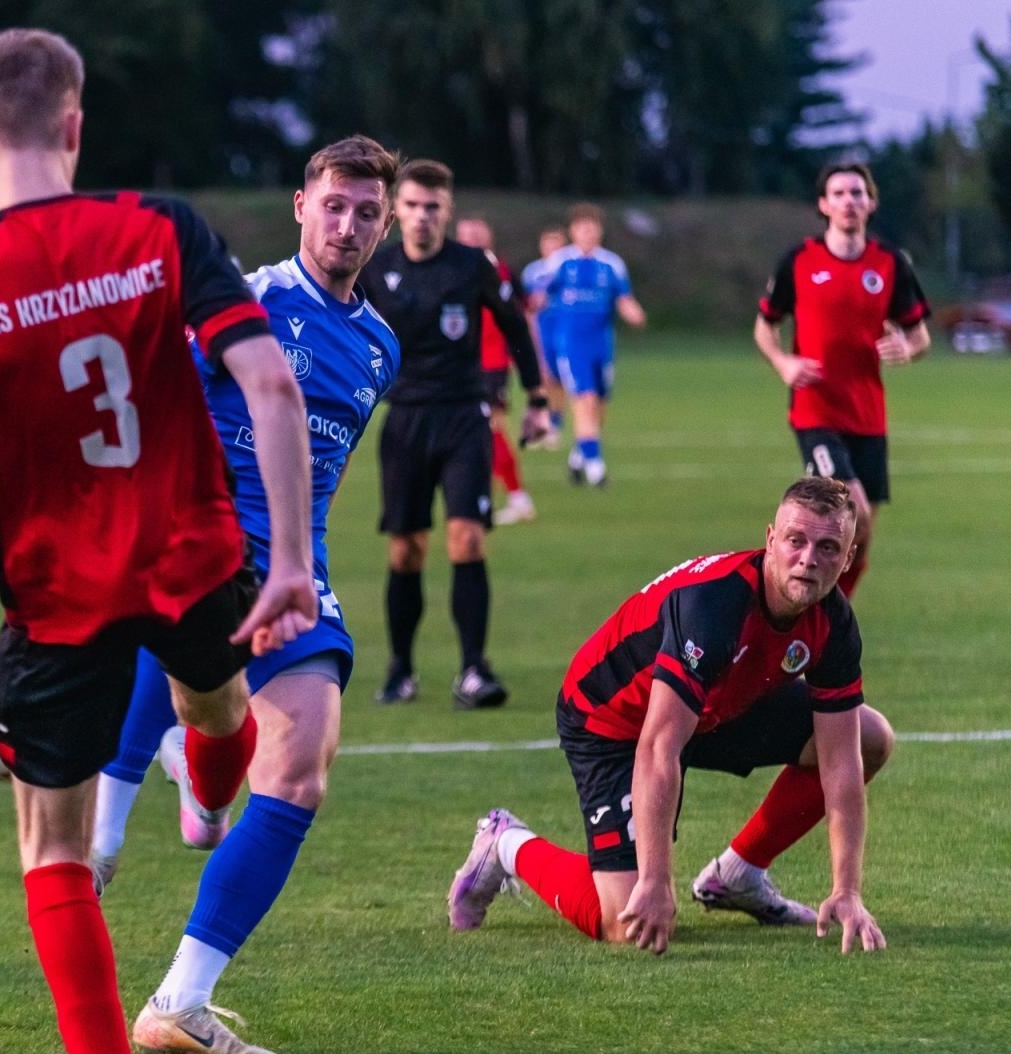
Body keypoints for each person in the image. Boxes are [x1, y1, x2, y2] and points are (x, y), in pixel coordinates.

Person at [0, 29, 314, 1054]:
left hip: (57, 600)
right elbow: (272, 385)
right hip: (196, 556)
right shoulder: (158, 226)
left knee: (53, 851)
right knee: (220, 711)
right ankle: (211, 788)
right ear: (75, 124)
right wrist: (290, 565)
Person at [89, 134, 401, 1054]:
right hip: (205, 557)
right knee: (195, 682)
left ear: (384, 224)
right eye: (333, 205)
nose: (348, 225)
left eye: (366, 211)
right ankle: (111, 824)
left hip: (299, 574)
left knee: (302, 764)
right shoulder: (247, 303)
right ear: (301, 206)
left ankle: (180, 999)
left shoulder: (379, 343)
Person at [446, 477, 893, 956]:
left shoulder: (834, 622)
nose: (808, 559)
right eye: (796, 541)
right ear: (770, 540)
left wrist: (847, 890)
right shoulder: (714, 605)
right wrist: (656, 880)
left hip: (713, 705)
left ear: (847, 559)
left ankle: (737, 875)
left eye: (828, 548)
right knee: (624, 920)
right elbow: (659, 748)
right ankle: (505, 844)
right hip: (612, 720)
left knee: (869, 736)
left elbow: (842, 762)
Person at [359, 160, 548, 709]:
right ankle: (400, 670)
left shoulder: (473, 266)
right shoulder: (376, 268)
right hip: (405, 423)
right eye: (413, 206)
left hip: (465, 418)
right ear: (397, 212)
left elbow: (514, 328)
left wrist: (536, 400)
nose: (422, 217)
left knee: (467, 538)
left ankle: (473, 670)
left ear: (448, 210)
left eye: (433, 206)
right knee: (406, 551)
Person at [754, 161, 931, 597]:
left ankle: (829, 613)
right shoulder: (799, 260)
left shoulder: (890, 264)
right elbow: (764, 325)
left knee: (864, 530)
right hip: (815, 411)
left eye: (856, 193)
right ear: (823, 204)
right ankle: (818, 612)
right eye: (838, 194)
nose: (848, 201)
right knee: (855, 510)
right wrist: (783, 363)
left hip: (867, 413)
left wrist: (907, 349)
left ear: (870, 202)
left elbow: (920, 335)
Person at [537, 203, 646, 488]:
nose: (587, 233)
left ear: (600, 231)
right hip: (571, 345)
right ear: (573, 231)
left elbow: (623, 298)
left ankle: (578, 458)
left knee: (599, 407)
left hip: (602, 343)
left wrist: (633, 312)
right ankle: (597, 470)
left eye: (592, 228)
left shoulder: (611, 264)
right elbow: (539, 296)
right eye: (582, 228)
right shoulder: (560, 262)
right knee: (583, 401)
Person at [454, 215, 536, 526]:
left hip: (491, 365)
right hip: (463, 364)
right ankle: (482, 500)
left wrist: (523, 356)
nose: (471, 238)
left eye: (477, 232)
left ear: (488, 235)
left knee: (490, 431)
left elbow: (521, 318)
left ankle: (517, 498)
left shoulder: (501, 271)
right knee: (476, 435)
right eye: (465, 233)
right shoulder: (451, 270)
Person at [519, 226, 569, 445]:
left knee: (561, 380)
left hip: (565, 330)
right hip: (542, 330)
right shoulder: (533, 271)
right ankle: (542, 420)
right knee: (544, 377)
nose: (552, 248)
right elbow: (526, 304)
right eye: (549, 243)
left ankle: (555, 424)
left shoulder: (569, 269)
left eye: (557, 244)